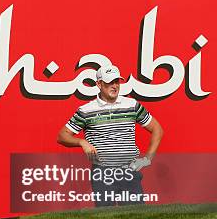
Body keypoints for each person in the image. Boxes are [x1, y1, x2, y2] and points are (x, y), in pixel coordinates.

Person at [57, 65, 163, 207]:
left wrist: (146, 160)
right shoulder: (86, 110)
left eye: (117, 82)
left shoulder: (132, 105)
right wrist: (82, 142)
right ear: (99, 84)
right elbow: (62, 136)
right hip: (102, 173)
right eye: (109, 82)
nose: (114, 86)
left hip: (129, 171)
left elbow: (157, 129)